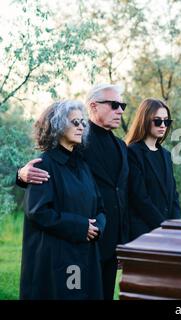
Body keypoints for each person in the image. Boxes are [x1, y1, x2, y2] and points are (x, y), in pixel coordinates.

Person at [17, 84, 129, 300]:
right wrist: (20, 174)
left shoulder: (83, 164)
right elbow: (39, 212)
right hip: (59, 256)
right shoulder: (44, 164)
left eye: (82, 123)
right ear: (58, 126)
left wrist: (99, 227)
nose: (81, 127)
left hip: (90, 247)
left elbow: (102, 204)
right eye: (75, 122)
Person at [125, 98, 181, 240]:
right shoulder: (132, 152)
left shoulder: (166, 155)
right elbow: (140, 198)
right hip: (144, 233)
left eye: (166, 121)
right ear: (145, 120)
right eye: (157, 121)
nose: (163, 125)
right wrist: (163, 226)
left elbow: (173, 195)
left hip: (169, 233)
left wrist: (176, 225)